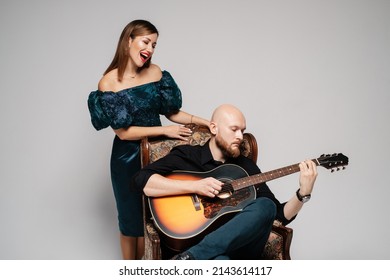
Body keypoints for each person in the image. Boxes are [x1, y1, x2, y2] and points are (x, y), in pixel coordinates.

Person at [87, 19, 209, 260]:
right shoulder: (108, 82)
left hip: (157, 154)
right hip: (127, 158)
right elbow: (123, 132)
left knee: (154, 216)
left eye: (154, 45)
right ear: (128, 41)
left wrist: (204, 121)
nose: (150, 49)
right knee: (130, 219)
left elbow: (172, 112)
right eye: (146, 42)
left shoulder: (156, 72)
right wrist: (164, 131)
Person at [132, 104, 318, 260]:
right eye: (234, 129)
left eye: (243, 131)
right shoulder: (188, 155)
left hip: (239, 249)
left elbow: (277, 215)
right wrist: (195, 186)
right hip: (198, 244)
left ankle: (190, 259)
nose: (240, 137)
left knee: (266, 205)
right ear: (214, 128)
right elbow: (142, 181)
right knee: (221, 261)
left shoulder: (246, 167)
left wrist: (303, 193)